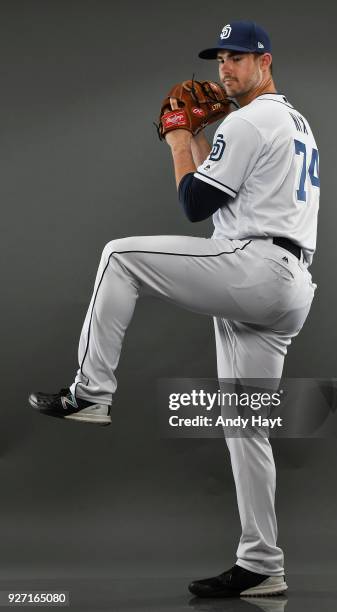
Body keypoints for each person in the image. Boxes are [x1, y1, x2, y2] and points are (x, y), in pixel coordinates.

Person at [29, 20, 319, 598]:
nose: (226, 68)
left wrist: (178, 138)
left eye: (239, 57)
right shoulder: (296, 121)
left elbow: (194, 203)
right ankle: (263, 565)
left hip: (254, 267)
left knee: (119, 256)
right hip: (289, 281)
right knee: (246, 428)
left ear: (266, 62)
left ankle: (91, 392)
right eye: (221, 58)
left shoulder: (248, 120)